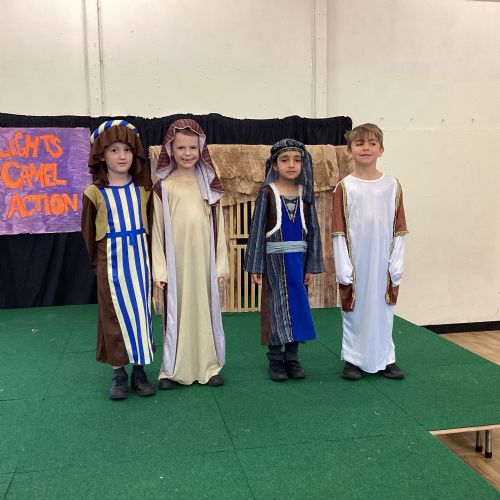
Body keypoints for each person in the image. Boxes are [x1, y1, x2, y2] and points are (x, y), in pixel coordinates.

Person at [81, 120, 155, 400]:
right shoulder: (94, 193)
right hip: (110, 266)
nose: (122, 156)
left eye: (127, 149)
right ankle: (118, 372)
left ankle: (139, 371)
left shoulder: (143, 190)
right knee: (112, 318)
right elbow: (89, 235)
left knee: (140, 314)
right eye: (114, 150)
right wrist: (100, 267)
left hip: (139, 262)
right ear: (101, 155)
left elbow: (152, 228)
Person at [152, 119, 228, 389]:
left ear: (201, 149)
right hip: (176, 263)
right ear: (170, 150)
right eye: (181, 147)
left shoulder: (209, 185)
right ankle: (173, 370)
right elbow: (157, 229)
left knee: (205, 310)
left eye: (192, 148)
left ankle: (209, 366)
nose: (187, 153)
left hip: (204, 261)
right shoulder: (164, 186)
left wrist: (220, 265)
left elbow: (219, 227)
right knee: (178, 312)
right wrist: (160, 270)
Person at [331, 123, 408, 380]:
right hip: (357, 260)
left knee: (383, 310)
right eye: (360, 143)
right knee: (356, 309)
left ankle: (385, 358)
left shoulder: (392, 186)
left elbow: (399, 228)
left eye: (372, 143)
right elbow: (338, 230)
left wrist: (396, 262)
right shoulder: (344, 187)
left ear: (381, 150)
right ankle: (353, 359)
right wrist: (344, 265)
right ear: (349, 150)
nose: (366, 148)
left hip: (383, 259)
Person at [244, 139, 323, 381]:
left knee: (298, 308)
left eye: (297, 160)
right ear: (275, 165)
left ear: (303, 164)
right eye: (285, 160)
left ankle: (292, 358)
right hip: (274, 264)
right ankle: (275, 360)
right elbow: (257, 231)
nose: (291, 164)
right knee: (275, 309)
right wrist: (255, 265)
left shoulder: (304, 195)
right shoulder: (268, 193)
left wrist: (311, 265)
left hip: (298, 263)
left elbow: (313, 231)